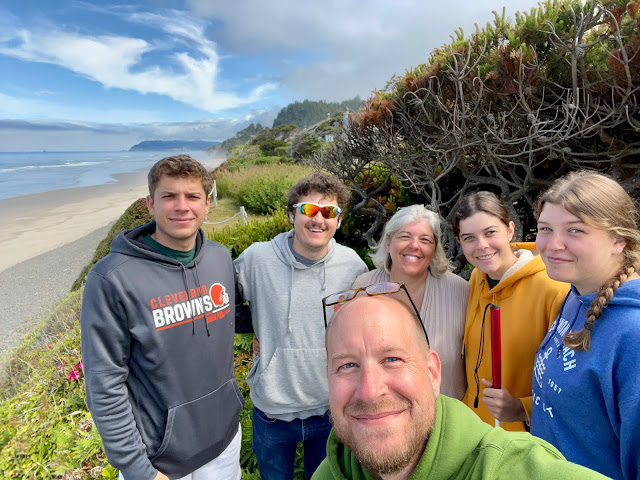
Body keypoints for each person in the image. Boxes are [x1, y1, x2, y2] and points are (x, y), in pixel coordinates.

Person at [312, 292, 608, 480]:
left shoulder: (511, 468)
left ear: (432, 372)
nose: (369, 390)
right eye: (347, 365)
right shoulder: (331, 471)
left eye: (392, 359)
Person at [81, 155, 244, 480]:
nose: (182, 206)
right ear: (150, 204)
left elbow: (236, 316)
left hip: (225, 440)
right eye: (169, 196)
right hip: (159, 460)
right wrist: (138, 469)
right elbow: (104, 383)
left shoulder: (220, 258)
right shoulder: (112, 279)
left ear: (208, 204)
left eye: (193, 196)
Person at [234, 171, 368, 479]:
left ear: (339, 220)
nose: (318, 219)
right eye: (308, 209)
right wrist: (254, 326)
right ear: (292, 214)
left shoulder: (353, 266)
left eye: (328, 212)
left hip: (328, 408)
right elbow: (222, 301)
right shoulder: (258, 258)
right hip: (271, 410)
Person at [531, 171, 640, 480]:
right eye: (546, 228)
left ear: (618, 240)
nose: (553, 244)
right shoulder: (577, 292)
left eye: (575, 230)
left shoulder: (633, 335)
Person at [450, 191, 568, 431]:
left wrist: (522, 408)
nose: (482, 245)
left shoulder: (553, 289)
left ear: (510, 230)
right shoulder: (477, 277)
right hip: (477, 432)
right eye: (469, 237)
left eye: (490, 232)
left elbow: (572, 384)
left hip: (524, 442)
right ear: (460, 242)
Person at [351, 204, 468, 399]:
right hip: (383, 414)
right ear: (388, 243)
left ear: (434, 249)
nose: (414, 245)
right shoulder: (364, 287)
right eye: (405, 237)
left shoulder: (460, 292)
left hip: (447, 417)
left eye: (425, 239)